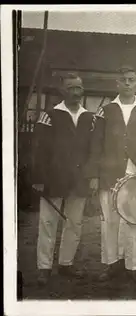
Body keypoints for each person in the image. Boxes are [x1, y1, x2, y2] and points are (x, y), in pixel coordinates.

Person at [85, 65, 136, 283]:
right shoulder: (106, 110)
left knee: (135, 220)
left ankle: (134, 267)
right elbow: (96, 144)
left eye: (131, 80)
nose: (127, 83)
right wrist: (93, 175)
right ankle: (111, 264)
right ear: (117, 84)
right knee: (110, 220)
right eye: (123, 80)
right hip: (109, 173)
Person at [32, 73, 94, 285]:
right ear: (62, 91)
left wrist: (91, 175)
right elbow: (38, 150)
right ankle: (44, 267)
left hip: (79, 181)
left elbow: (93, 151)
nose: (75, 92)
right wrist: (38, 178)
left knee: (74, 223)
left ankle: (66, 263)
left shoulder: (89, 117)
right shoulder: (49, 116)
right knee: (48, 223)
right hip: (53, 179)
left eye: (78, 88)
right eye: (70, 88)